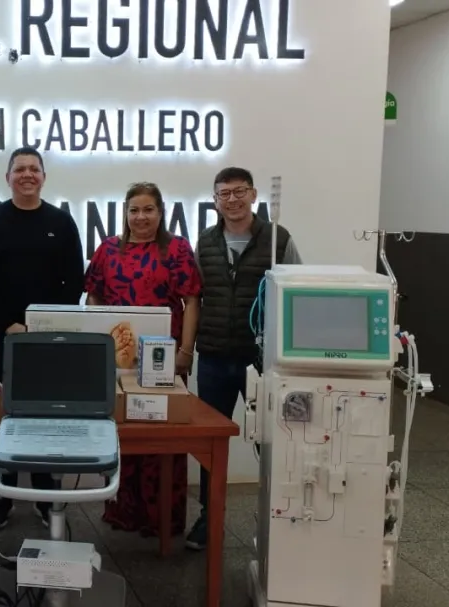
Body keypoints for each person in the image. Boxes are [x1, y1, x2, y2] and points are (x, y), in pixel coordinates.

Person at [0, 147, 85, 530]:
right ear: (8, 178)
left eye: (34, 168)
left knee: (46, 418)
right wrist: (7, 323)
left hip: (49, 340)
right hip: (5, 337)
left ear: (44, 177)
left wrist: (46, 324)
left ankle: (45, 494)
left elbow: (74, 281)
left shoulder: (61, 222)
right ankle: (2, 495)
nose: (27, 174)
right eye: (20, 169)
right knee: (6, 418)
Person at [188, 166, 302, 551]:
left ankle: (279, 516)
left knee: (274, 442)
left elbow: (296, 294)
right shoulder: (205, 242)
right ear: (215, 200)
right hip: (214, 358)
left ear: (253, 195)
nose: (232, 200)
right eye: (224, 193)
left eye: (239, 191)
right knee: (210, 444)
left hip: (262, 361)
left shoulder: (278, 240)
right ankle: (209, 518)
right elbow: (195, 299)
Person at [84, 182, 202, 538]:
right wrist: (99, 341)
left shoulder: (177, 249)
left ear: (160, 212)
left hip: (164, 359)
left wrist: (185, 351)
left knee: (162, 433)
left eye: (148, 209)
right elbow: (93, 296)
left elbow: (192, 301)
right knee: (123, 431)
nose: (141, 217)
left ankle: (161, 517)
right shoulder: (108, 249)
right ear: (125, 213)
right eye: (134, 210)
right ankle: (124, 511)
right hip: (118, 359)